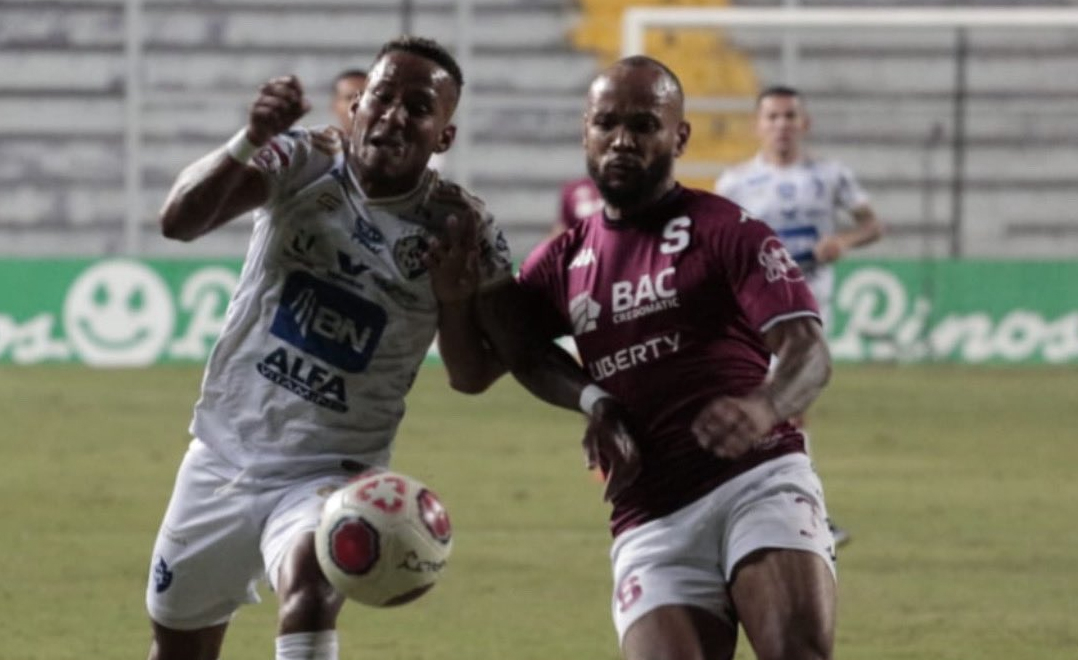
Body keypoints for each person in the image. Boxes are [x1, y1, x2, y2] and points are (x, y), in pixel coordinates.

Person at [145, 36, 511, 660]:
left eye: (419, 107)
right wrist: (251, 137)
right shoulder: (303, 159)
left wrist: (454, 300)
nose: (395, 115)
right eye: (383, 97)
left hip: (332, 472)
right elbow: (178, 221)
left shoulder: (460, 226)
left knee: (311, 591)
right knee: (178, 647)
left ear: (442, 137)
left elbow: (473, 374)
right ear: (356, 105)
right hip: (224, 452)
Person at [468, 56, 838, 660]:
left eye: (644, 125)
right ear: (584, 130)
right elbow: (503, 359)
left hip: (757, 482)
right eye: (607, 123)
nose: (623, 140)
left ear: (679, 136)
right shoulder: (561, 261)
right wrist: (595, 400)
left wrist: (764, 407)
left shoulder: (727, 229)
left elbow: (809, 354)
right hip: (650, 514)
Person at [716, 85, 884, 546]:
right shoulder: (735, 184)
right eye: (772, 117)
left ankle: (791, 511)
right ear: (757, 125)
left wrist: (844, 242)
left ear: (804, 124)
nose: (782, 125)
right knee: (777, 408)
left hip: (808, 305)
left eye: (790, 116)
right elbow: (717, 245)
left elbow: (872, 224)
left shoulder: (831, 177)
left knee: (787, 406)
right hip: (752, 309)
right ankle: (785, 510)